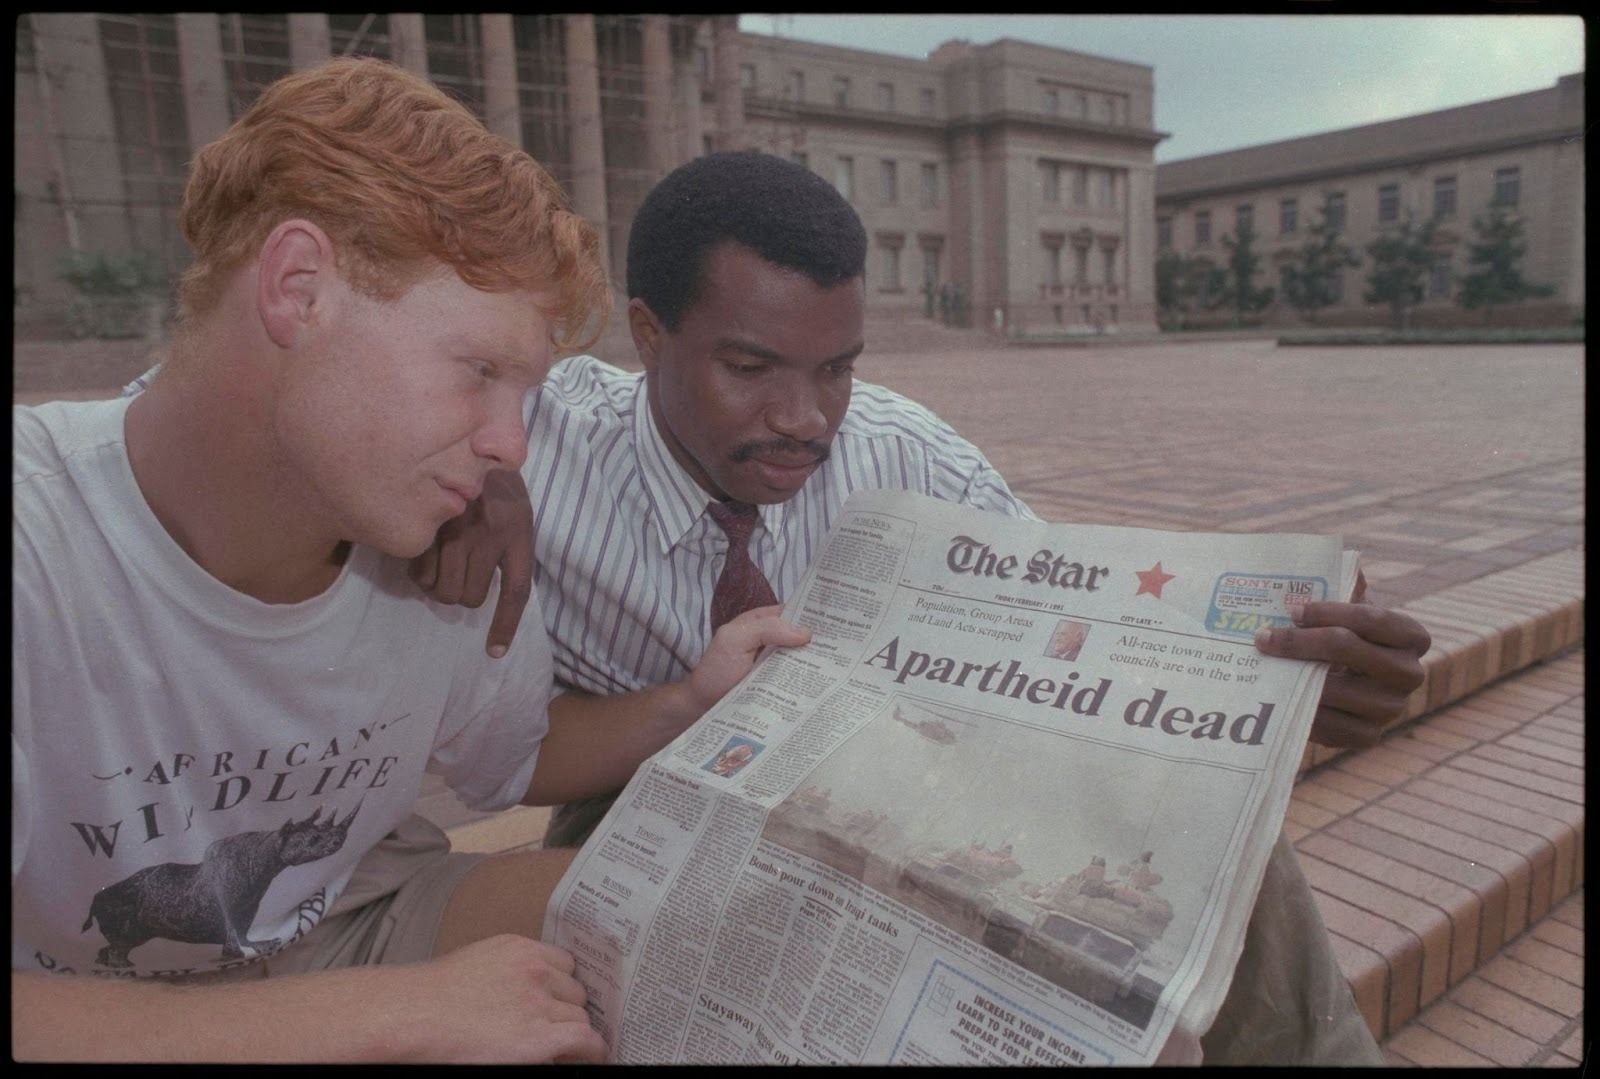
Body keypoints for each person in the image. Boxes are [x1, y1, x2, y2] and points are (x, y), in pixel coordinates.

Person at [409, 151, 1430, 1065]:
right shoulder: (528, 441)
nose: (803, 418)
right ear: (648, 334)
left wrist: (1279, 698)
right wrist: (442, 482)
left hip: (885, 765)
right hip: (644, 774)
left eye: (838, 369)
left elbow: (1071, 657)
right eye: (749, 367)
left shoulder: (912, 459)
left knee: (1206, 839)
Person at [12, 61, 806, 1063]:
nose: (512, 446)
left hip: (358, 921)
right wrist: (403, 1013)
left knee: (719, 921)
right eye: (479, 371)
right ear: (298, 289)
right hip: (77, 993)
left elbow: (508, 760)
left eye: (526, 393)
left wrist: (689, 698)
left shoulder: (451, 534)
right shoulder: (36, 539)